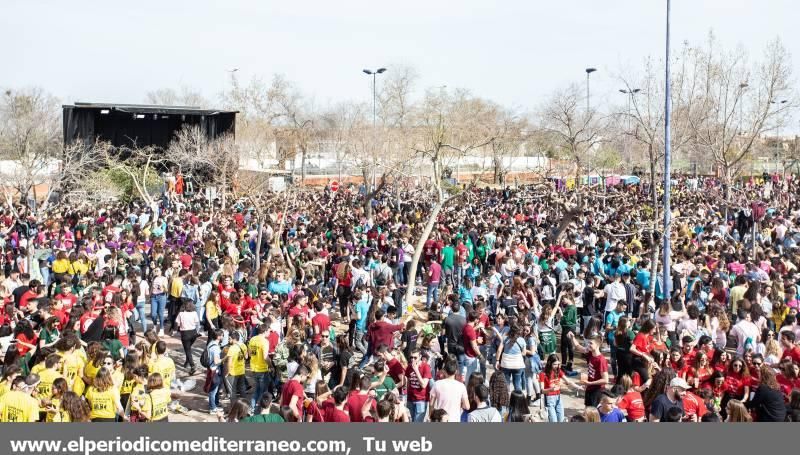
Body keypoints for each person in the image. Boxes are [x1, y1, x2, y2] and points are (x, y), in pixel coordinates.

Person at [539, 354, 581, 422]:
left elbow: (568, 381)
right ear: (549, 363)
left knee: (561, 419)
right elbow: (542, 390)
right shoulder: (543, 374)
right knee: (553, 420)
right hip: (549, 399)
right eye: (555, 364)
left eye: (558, 364)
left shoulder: (558, 371)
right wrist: (551, 389)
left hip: (558, 398)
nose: (557, 366)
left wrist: (578, 387)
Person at [429, 354, 469, 423]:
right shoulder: (461, 386)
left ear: (444, 371)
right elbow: (467, 406)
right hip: (455, 419)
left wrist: (430, 416)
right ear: (456, 371)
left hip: (440, 419)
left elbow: (431, 404)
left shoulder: (437, 384)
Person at [405, 348, 432, 422]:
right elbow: (408, 382)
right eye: (411, 357)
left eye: (415, 357)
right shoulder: (409, 367)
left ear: (420, 356)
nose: (412, 359)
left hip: (421, 400)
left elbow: (423, 385)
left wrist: (416, 370)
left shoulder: (426, 367)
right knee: (412, 420)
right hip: (411, 398)